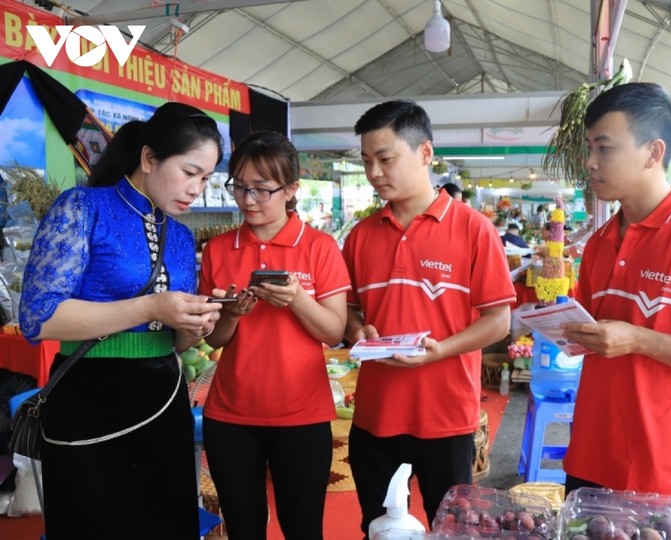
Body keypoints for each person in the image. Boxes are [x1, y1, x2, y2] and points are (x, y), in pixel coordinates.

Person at [18, 102, 225, 538]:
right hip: (90, 402)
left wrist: (194, 324)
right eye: (189, 172)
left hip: (164, 401)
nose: (197, 189)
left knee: (165, 523)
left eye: (206, 178)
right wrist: (150, 307)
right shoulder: (83, 208)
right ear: (148, 158)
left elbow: (172, 340)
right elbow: (38, 316)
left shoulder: (181, 236)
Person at [342, 100, 515, 536]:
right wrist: (357, 328)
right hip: (376, 416)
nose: (374, 172)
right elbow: (348, 308)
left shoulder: (474, 229)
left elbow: (498, 321)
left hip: (446, 417)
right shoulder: (361, 236)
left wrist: (441, 350)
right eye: (366, 161)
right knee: (378, 528)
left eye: (386, 159)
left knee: (451, 528)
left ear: (425, 153)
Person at [561, 82, 671, 500]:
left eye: (604, 148)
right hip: (589, 454)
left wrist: (639, 340)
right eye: (589, 148)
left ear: (653, 153)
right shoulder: (600, 242)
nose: (590, 162)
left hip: (662, 470)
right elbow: (595, 335)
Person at [198, 131, 351, 539]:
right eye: (239, 187)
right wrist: (232, 315)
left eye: (262, 189)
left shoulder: (319, 248)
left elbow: (334, 331)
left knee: (303, 528)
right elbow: (213, 340)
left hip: (302, 414)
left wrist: (297, 299)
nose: (248, 200)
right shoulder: (218, 249)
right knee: (243, 528)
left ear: (291, 189)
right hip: (230, 416)